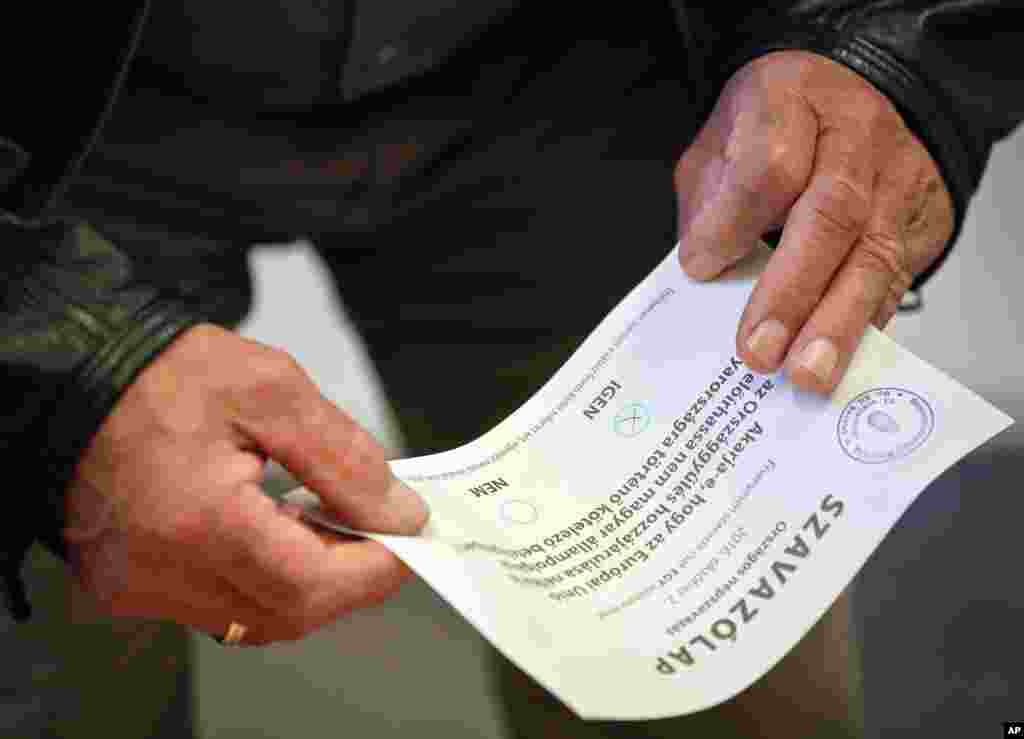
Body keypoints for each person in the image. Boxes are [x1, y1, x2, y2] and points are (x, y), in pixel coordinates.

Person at [1, 1, 1020, 737]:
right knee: (49, 686)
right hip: (38, 116)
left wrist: (893, 40)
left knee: (699, 681)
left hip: (583, 62)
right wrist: (55, 353)